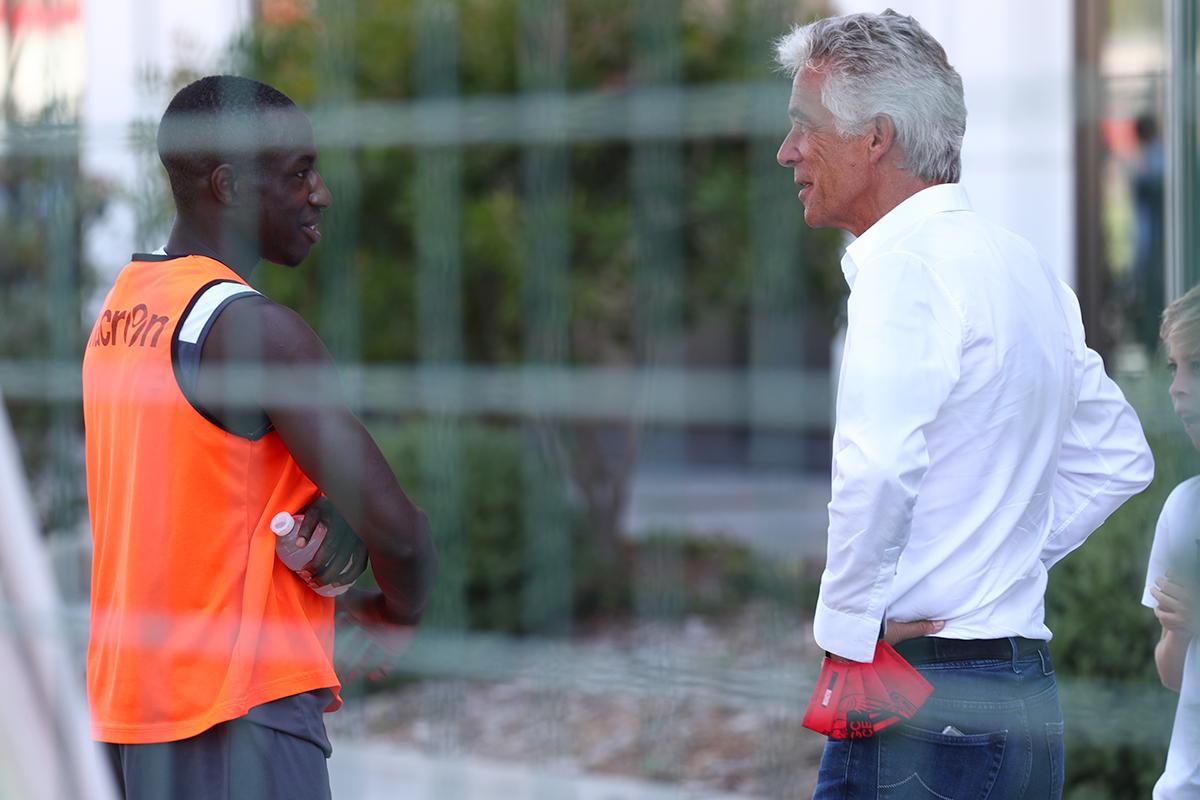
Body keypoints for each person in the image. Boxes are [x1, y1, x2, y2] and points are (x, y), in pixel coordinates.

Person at [774, 11, 1154, 798]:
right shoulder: (1023, 264)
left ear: (876, 136)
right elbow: (1120, 457)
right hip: (1023, 690)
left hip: (922, 694)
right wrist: (993, 564)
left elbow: (877, 468)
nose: (788, 150)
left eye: (805, 125)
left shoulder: (904, 268)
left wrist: (849, 632)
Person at [82, 75, 437, 800]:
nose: (320, 194)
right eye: (299, 173)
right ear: (231, 186)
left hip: (131, 715)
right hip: (241, 716)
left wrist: (321, 511)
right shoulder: (257, 332)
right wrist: (394, 612)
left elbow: (202, 494)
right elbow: (402, 535)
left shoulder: (122, 312)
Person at [1144, 285, 1200, 799]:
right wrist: (1180, 631)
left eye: (1196, 366)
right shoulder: (1183, 508)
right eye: (1173, 368)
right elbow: (1173, 675)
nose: (1176, 388)